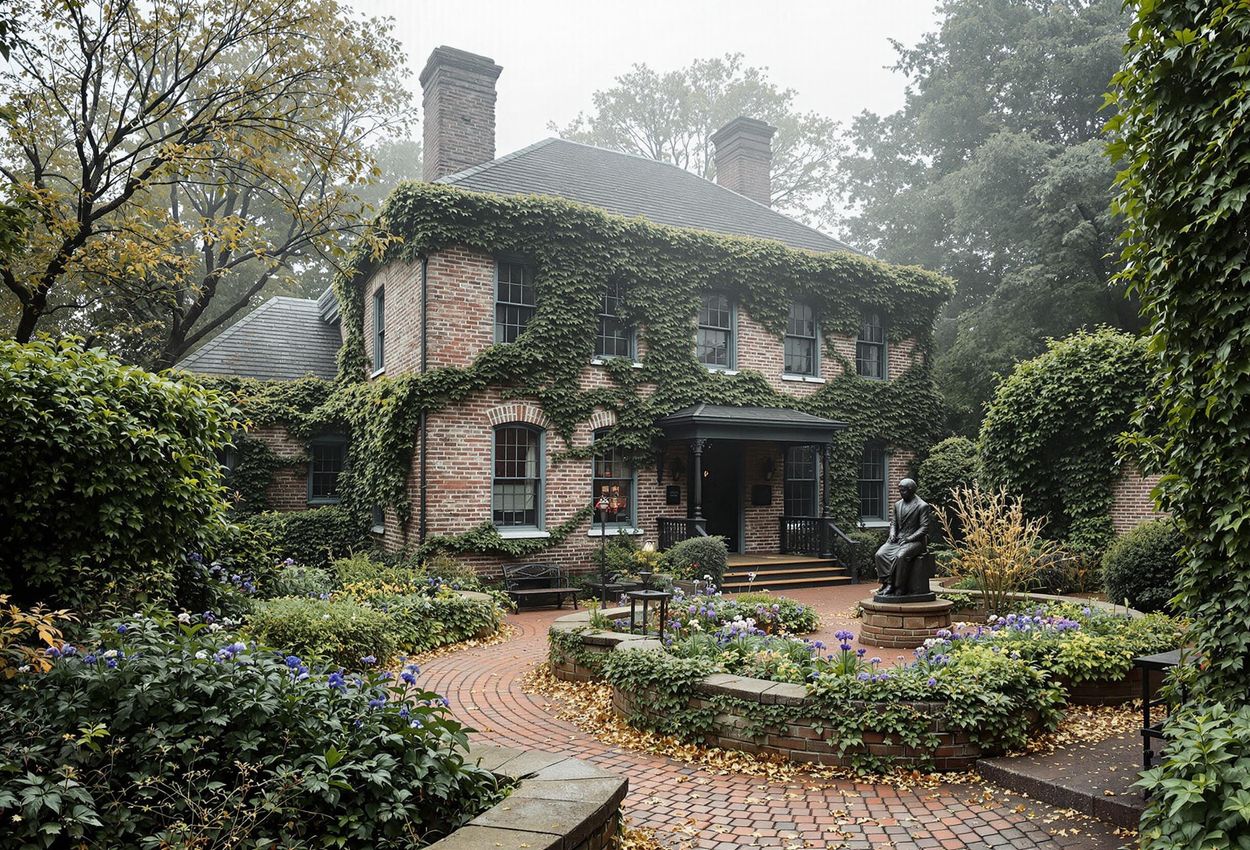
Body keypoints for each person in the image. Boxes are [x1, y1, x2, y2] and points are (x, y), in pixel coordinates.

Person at [874, 478, 933, 596]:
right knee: (880, 554)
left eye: (904, 491)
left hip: (916, 541)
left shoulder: (922, 506)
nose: (901, 493)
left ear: (911, 490)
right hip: (897, 539)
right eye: (900, 491)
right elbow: (894, 523)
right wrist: (892, 534)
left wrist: (909, 538)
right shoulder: (897, 505)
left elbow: (924, 528)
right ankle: (885, 582)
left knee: (900, 556)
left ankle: (898, 586)